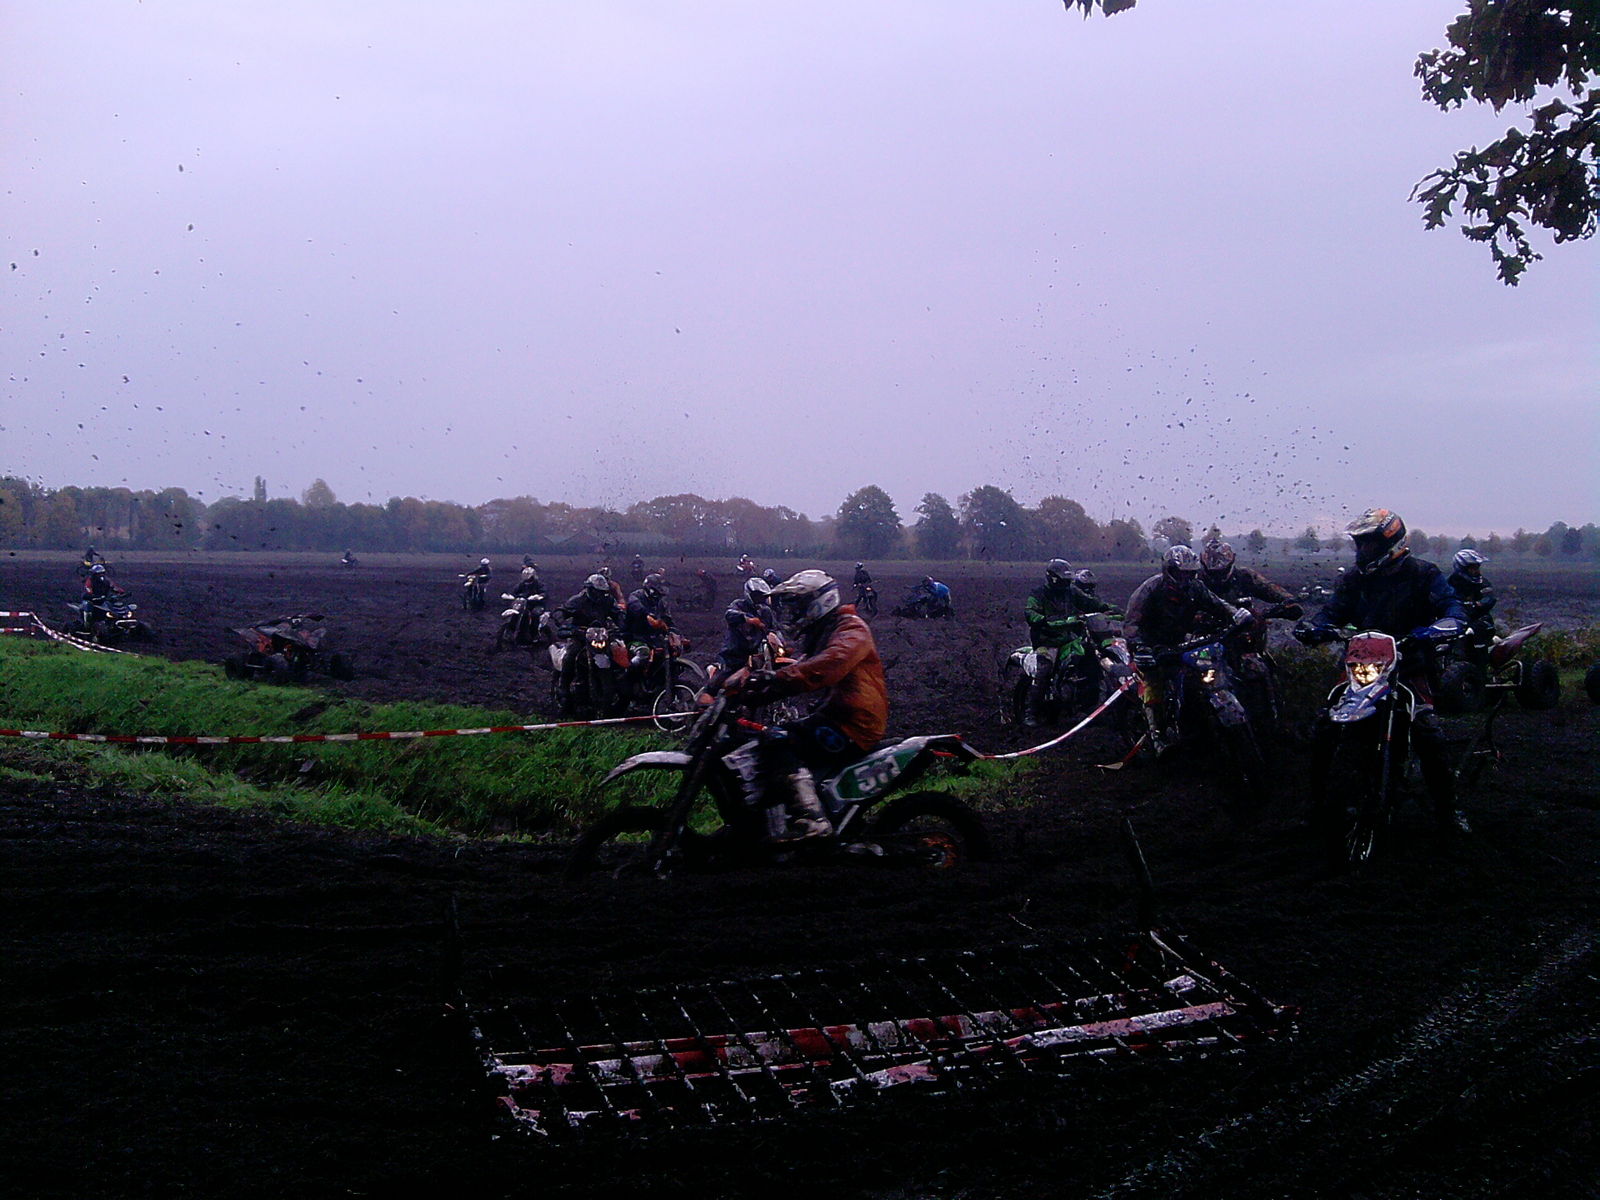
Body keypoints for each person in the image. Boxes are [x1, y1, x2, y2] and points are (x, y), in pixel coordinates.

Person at [1302, 508, 1470, 833]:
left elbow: (1451, 606)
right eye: (1360, 544)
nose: (1364, 550)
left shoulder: (1423, 574)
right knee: (1325, 726)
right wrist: (1316, 627)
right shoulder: (1354, 579)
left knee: (1427, 732)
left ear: (1391, 542)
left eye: (1370, 543)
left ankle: (1448, 809)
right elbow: (1332, 611)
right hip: (1362, 666)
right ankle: (1317, 803)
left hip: (1410, 664)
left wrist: (1442, 626)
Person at [730, 570, 888, 842]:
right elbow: (801, 672)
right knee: (769, 738)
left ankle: (814, 820)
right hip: (837, 713)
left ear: (818, 603)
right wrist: (750, 695)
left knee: (780, 740)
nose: (793, 613)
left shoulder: (851, 629)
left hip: (856, 722)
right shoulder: (825, 630)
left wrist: (776, 677)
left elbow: (827, 665)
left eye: (798, 606)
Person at [1123, 545, 1254, 758]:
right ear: (1168, 570)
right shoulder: (1151, 588)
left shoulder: (1196, 587)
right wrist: (1139, 647)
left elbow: (1218, 604)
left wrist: (1237, 615)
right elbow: (1131, 622)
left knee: (1208, 671)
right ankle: (1158, 737)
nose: (1184, 578)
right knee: (1154, 683)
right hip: (1151, 646)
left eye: (1189, 573)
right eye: (1179, 573)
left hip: (1181, 642)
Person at [1022, 559, 1091, 728]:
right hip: (1046, 640)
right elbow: (1030, 612)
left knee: (1089, 658)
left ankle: (1085, 705)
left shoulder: (1071, 592)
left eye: (1068, 580)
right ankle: (1031, 712)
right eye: (1063, 580)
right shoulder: (1038, 593)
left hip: (1069, 638)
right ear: (1053, 578)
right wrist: (1043, 620)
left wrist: (1111, 609)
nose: (1065, 583)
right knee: (1045, 668)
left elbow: (1091, 603)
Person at [555, 574, 625, 709]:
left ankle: (619, 688)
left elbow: (618, 613)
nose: (600, 595)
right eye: (597, 592)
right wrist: (563, 622)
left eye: (602, 592)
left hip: (601, 635)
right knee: (571, 654)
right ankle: (563, 687)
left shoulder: (608, 600)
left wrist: (622, 625)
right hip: (580, 635)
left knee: (617, 653)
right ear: (590, 589)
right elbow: (561, 611)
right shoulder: (578, 600)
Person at [713, 576, 779, 679]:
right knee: (723, 680)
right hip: (734, 653)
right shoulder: (739, 605)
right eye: (757, 596)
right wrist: (747, 619)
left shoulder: (766, 611)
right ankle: (709, 688)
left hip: (757, 653)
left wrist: (776, 637)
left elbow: (773, 627)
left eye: (763, 596)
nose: (760, 598)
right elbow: (729, 614)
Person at [623, 572, 675, 682]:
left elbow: (668, 620)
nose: (659, 594)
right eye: (658, 590)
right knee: (643, 653)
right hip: (634, 638)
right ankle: (627, 679)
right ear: (650, 589)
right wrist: (651, 619)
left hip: (654, 640)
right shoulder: (635, 597)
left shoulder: (660, 603)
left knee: (670, 652)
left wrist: (678, 635)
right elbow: (640, 611)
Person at [1448, 548, 1496, 644]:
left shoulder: (1482, 582)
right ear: (1461, 568)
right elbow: (1441, 597)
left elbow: (1490, 598)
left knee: (1480, 631)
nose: (1476, 571)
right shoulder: (1450, 582)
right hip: (1455, 619)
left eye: (1477, 567)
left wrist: (1477, 604)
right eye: (1472, 568)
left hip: (1479, 619)